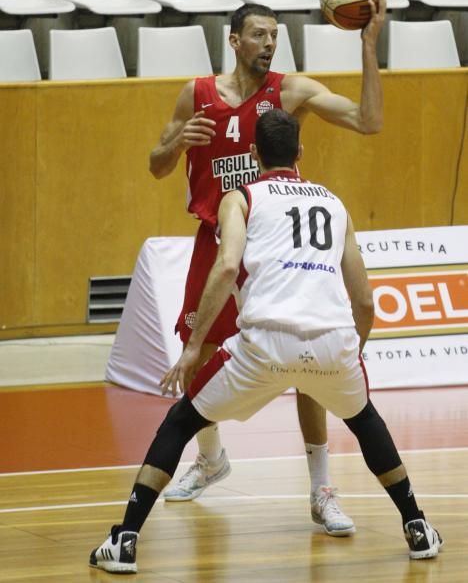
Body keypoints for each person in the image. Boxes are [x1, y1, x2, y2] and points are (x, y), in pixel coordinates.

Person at [90, 109, 442, 574]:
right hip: (334, 342)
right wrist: (350, 353)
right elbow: (365, 302)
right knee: (365, 421)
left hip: (264, 344)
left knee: (180, 422)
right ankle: (416, 525)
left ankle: (126, 540)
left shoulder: (242, 198)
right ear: (300, 153)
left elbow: (225, 267)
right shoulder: (334, 203)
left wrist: (194, 347)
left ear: (254, 155)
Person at [148, 0, 385, 534]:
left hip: (275, 243)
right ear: (234, 41)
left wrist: (368, 46)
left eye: (274, 35)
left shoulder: (290, 91)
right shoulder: (198, 94)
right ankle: (210, 460)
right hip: (218, 239)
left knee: (308, 367)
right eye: (258, 35)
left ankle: (322, 488)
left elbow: (369, 121)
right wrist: (175, 144)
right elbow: (157, 166)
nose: (268, 43)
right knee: (201, 354)